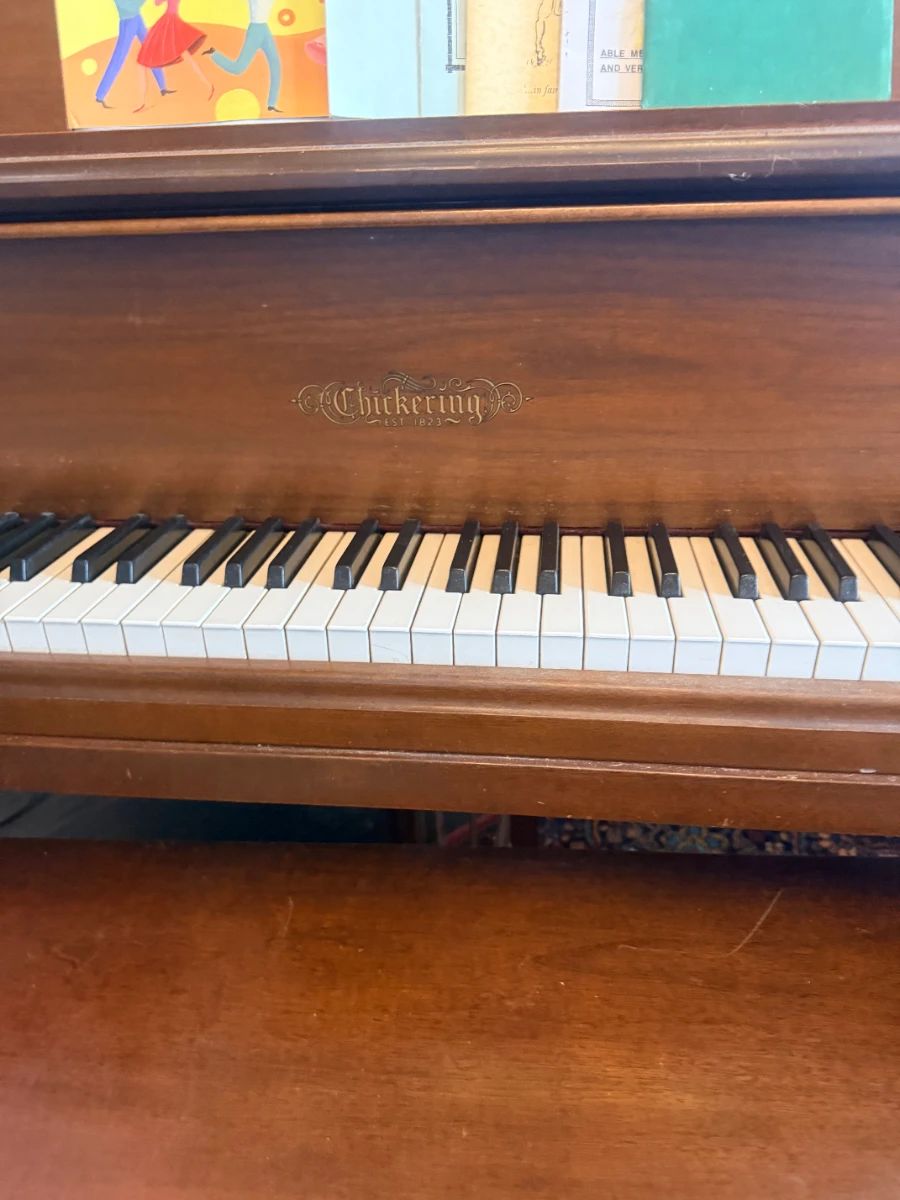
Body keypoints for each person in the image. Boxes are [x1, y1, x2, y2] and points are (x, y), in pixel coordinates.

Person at [203, 0, 282, 113]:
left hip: (265, 30)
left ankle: (272, 104)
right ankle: (214, 54)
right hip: (255, 30)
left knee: (276, 65)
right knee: (238, 68)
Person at [134, 0, 213, 113]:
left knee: (142, 61)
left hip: (169, 23)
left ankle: (141, 103)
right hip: (170, 22)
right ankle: (208, 85)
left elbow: (157, 3)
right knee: (185, 56)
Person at [95, 0, 171, 109]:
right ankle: (100, 95)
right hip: (128, 21)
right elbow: (128, 6)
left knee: (151, 50)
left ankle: (163, 87)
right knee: (118, 58)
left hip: (136, 18)